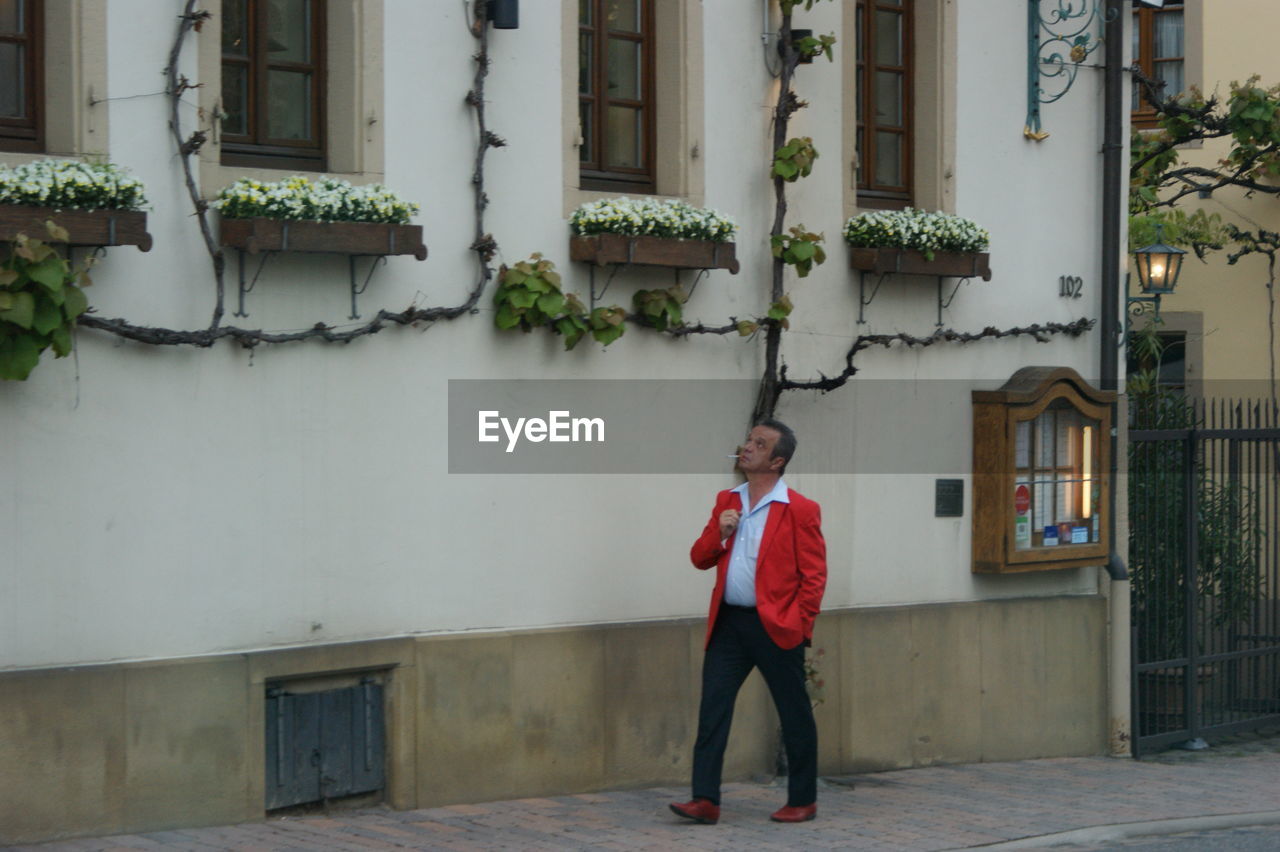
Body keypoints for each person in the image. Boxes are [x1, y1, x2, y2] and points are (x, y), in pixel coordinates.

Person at [669, 418, 828, 825]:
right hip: (729, 624)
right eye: (749, 440)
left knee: (793, 713)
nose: (748, 446)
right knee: (713, 710)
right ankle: (705, 800)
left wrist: (799, 623)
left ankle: (803, 799)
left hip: (776, 625)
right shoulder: (728, 500)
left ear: (777, 462)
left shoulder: (799, 509)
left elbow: (814, 576)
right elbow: (699, 558)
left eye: (760, 443)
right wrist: (720, 534)